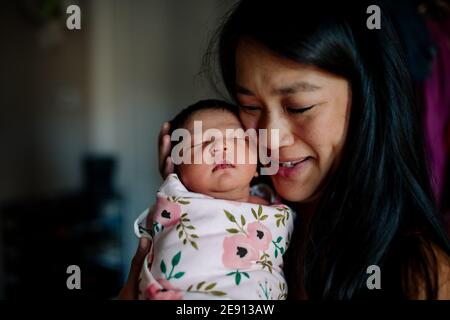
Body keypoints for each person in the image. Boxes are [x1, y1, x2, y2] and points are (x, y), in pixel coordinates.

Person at [120, 0, 450, 299]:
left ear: (369, 104)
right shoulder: (257, 216)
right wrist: (184, 196)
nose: (270, 138)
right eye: (249, 105)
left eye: (299, 107)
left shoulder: (419, 277)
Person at [134, 99, 295, 299]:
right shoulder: (176, 198)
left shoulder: (277, 203)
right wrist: (171, 181)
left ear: (258, 163)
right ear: (178, 171)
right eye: (200, 143)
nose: (219, 148)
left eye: (236, 138)